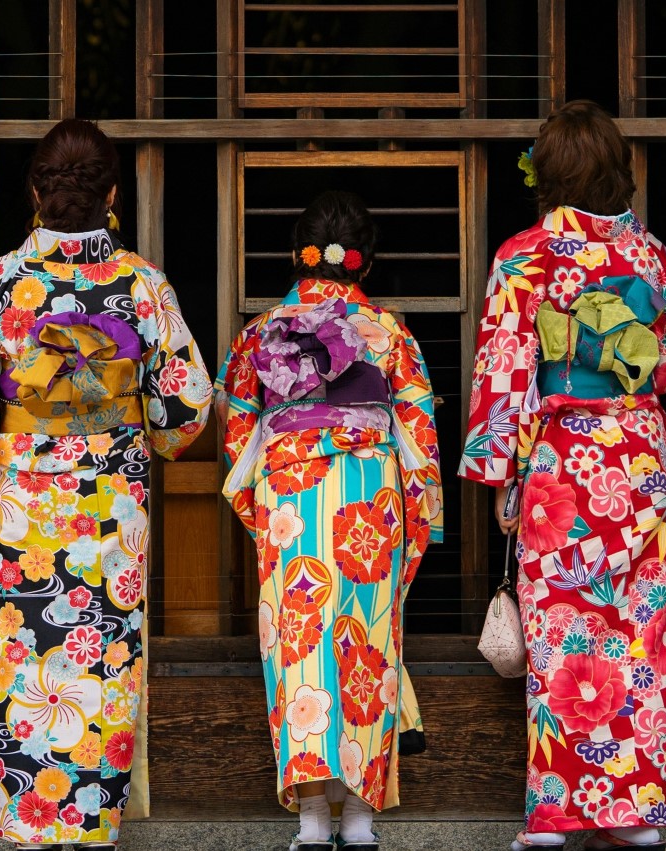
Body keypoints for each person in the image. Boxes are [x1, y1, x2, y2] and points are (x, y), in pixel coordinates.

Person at [0, 118, 212, 850]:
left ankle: (28, 820)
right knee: (103, 664)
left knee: (27, 664)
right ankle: (92, 824)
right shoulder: (141, 285)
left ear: (35, 191)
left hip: (28, 507)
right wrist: (140, 426)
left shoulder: (0, 282)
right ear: (113, 194)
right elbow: (184, 408)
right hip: (108, 510)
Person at [459, 100, 666, 851]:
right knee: (639, 634)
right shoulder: (651, 256)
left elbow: (504, 370)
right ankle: (635, 814)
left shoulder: (524, 255)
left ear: (547, 174)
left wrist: (502, 475)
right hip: (641, 458)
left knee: (562, 634)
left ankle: (558, 813)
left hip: (566, 462)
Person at [219, 191, 444, 851]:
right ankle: (362, 820)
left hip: (290, 497)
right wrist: (416, 512)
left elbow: (238, 432)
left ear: (298, 256)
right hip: (369, 496)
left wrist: (261, 506)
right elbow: (421, 435)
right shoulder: (389, 332)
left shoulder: (262, 333)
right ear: (363, 264)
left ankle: (312, 822)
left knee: (299, 646)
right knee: (366, 643)